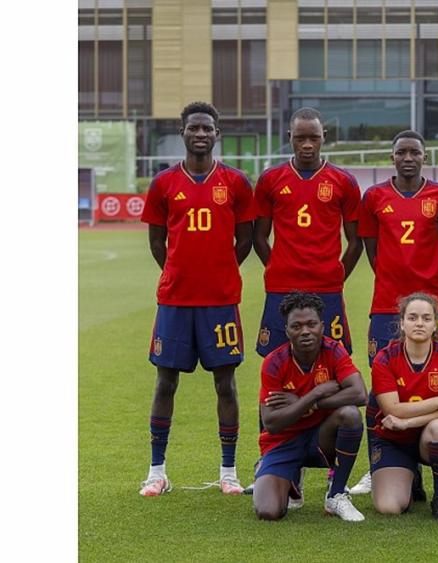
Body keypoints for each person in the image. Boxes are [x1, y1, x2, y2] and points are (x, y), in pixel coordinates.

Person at [138, 101, 255, 497]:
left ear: (216, 133)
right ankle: (157, 471)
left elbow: (246, 240)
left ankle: (228, 471)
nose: (201, 133)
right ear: (182, 132)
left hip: (220, 300)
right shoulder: (163, 183)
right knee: (165, 382)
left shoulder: (236, 182)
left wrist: (220, 269)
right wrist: (178, 271)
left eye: (207, 128)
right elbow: (157, 241)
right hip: (175, 300)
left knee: (225, 384)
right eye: (194, 128)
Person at [348, 130, 438, 498]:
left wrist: (428, 293)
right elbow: (371, 248)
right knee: (381, 388)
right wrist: (393, 282)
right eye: (402, 152)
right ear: (392, 156)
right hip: (386, 306)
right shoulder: (375, 197)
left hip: (435, 307)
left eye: (415, 152)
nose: (408, 158)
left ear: (425, 156)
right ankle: (378, 463)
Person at [253, 106, 363, 357]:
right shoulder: (270, 179)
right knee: (277, 358)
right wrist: (276, 266)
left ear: (324, 136)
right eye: (300, 138)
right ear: (289, 136)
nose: (307, 144)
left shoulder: (343, 181)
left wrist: (336, 274)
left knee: (333, 359)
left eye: (313, 138)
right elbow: (259, 236)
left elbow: (355, 241)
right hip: (282, 286)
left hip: (326, 287)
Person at [253, 292, 368, 521]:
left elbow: (360, 394)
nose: (305, 331)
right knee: (269, 512)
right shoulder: (274, 363)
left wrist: (309, 404)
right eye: (296, 326)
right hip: (282, 442)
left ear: (321, 326)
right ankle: (287, 476)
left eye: (311, 324)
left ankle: (336, 495)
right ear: (287, 331)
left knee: (350, 415)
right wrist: (313, 395)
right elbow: (271, 423)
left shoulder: (334, 350)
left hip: (320, 438)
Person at [367, 293, 438, 521]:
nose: (419, 323)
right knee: (389, 507)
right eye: (412, 318)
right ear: (402, 323)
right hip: (393, 440)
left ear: (435, 325)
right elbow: (393, 409)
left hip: (428, 438)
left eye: (426, 318)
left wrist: (407, 422)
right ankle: (410, 476)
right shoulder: (384, 358)